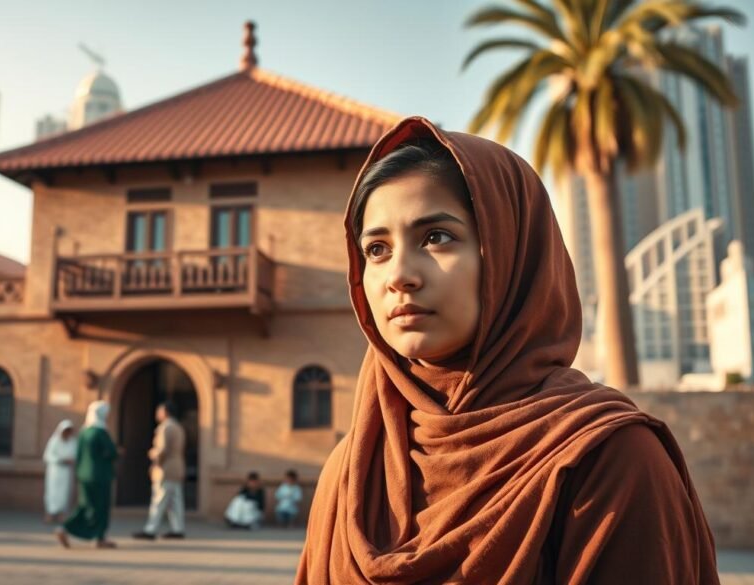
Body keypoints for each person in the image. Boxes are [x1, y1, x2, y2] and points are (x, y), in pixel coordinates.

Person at [296, 117, 719, 584]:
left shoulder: (604, 459)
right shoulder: (354, 472)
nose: (398, 275)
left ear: (512, 253)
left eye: (436, 237)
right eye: (376, 249)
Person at [55, 401, 119, 549]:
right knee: (101, 507)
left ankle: (64, 528)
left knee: (85, 505)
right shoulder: (100, 432)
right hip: (100, 476)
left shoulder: (84, 431)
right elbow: (112, 452)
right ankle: (99, 537)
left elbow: (78, 454)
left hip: (83, 475)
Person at [132, 401, 186, 540]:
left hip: (165, 468)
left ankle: (150, 529)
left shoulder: (165, 427)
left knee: (159, 500)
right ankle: (177, 528)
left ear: (165, 412)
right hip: (177, 467)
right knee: (175, 501)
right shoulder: (178, 427)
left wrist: (153, 455)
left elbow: (162, 450)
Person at [43, 419, 77, 523]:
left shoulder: (73, 442)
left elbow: (75, 455)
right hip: (55, 471)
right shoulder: (54, 441)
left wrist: (71, 460)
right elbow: (47, 456)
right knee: (52, 493)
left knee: (65, 493)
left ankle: (63, 514)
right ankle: (50, 513)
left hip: (67, 472)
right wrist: (60, 459)